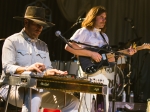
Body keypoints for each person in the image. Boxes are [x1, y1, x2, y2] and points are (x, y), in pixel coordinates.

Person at [0, 6, 79, 112]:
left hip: (37, 88)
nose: (40, 28)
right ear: (26, 22)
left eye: (42, 25)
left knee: (73, 102)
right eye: (36, 24)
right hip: (12, 88)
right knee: (34, 97)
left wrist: (51, 72)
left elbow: (46, 70)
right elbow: (7, 67)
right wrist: (27, 69)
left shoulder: (43, 46)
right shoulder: (12, 41)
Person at [65, 6, 136, 112]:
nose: (104, 20)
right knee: (86, 106)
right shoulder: (84, 31)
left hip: (103, 75)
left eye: (105, 18)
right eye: (101, 17)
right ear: (93, 17)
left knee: (103, 107)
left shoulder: (104, 36)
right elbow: (68, 46)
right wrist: (91, 54)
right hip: (89, 73)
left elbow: (108, 57)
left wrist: (125, 53)